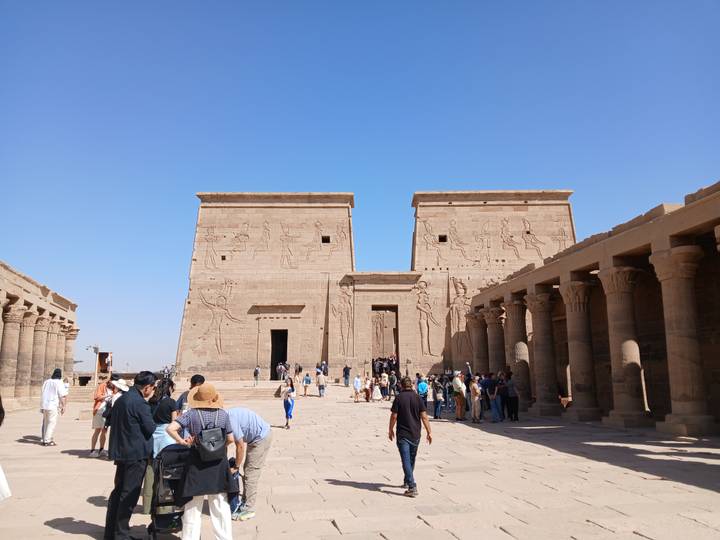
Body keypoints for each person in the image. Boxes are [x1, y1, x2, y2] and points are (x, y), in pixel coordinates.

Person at [166, 382, 234, 540]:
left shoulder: (192, 414)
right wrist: (217, 446)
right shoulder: (223, 414)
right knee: (220, 505)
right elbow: (230, 438)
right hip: (218, 464)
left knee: (192, 506)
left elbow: (170, 428)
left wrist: (183, 442)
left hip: (197, 463)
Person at [104, 371, 157, 540]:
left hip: (123, 452)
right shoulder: (140, 403)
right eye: (153, 387)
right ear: (147, 387)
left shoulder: (122, 399)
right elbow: (150, 428)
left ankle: (112, 532)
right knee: (129, 495)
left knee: (119, 492)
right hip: (135, 455)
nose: (153, 390)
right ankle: (121, 535)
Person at [388, 377, 432, 497]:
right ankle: (408, 480)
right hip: (415, 434)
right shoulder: (418, 398)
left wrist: (390, 429)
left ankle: (412, 486)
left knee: (406, 460)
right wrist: (429, 432)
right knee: (411, 459)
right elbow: (424, 416)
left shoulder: (399, 398)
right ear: (412, 385)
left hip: (403, 434)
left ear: (401, 385)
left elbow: (394, 416)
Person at [227, 406, 273, 521]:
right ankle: (245, 501)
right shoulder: (225, 416)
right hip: (256, 437)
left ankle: (249, 508)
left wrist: (236, 466)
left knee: (251, 472)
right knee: (248, 469)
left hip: (261, 438)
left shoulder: (229, 419)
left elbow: (240, 445)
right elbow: (228, 440)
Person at [142, 378, 177, 514]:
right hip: (166, 438)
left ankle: (147, 506)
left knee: (150, 472)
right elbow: (174, 423)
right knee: (165, 474)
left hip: (152, 437)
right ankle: (164, 506)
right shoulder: (171, 402)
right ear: (169, 388)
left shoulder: (151, 401)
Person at [90, 374, 117, 457]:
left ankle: (101, 449)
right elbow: (97, 397)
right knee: (97, 430)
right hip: (100, 410)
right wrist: (108, 396)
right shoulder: (102, 385)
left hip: (108, 411)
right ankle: (92, 450)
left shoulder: (115, 388)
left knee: (104, 431)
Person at [40, 368, 68, 446]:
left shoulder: (47, 382)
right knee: (51, 423)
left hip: (45, 405)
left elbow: (42, 392)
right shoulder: (59, 382)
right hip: (52, 405)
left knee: (46, 423)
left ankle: (44, 438)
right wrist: (63, 406)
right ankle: (47, 440)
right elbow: (62, 395)